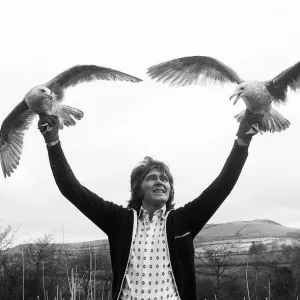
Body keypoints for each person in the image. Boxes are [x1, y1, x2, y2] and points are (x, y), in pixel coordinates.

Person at [38, 110, 263, 300]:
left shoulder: (182, 220)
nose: (160, 182)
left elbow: (222, 186)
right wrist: (52, 142)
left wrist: (243, 141)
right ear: (138, 188)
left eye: (165, 179)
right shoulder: (120, 220)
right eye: (152, 178)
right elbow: (72, 189)